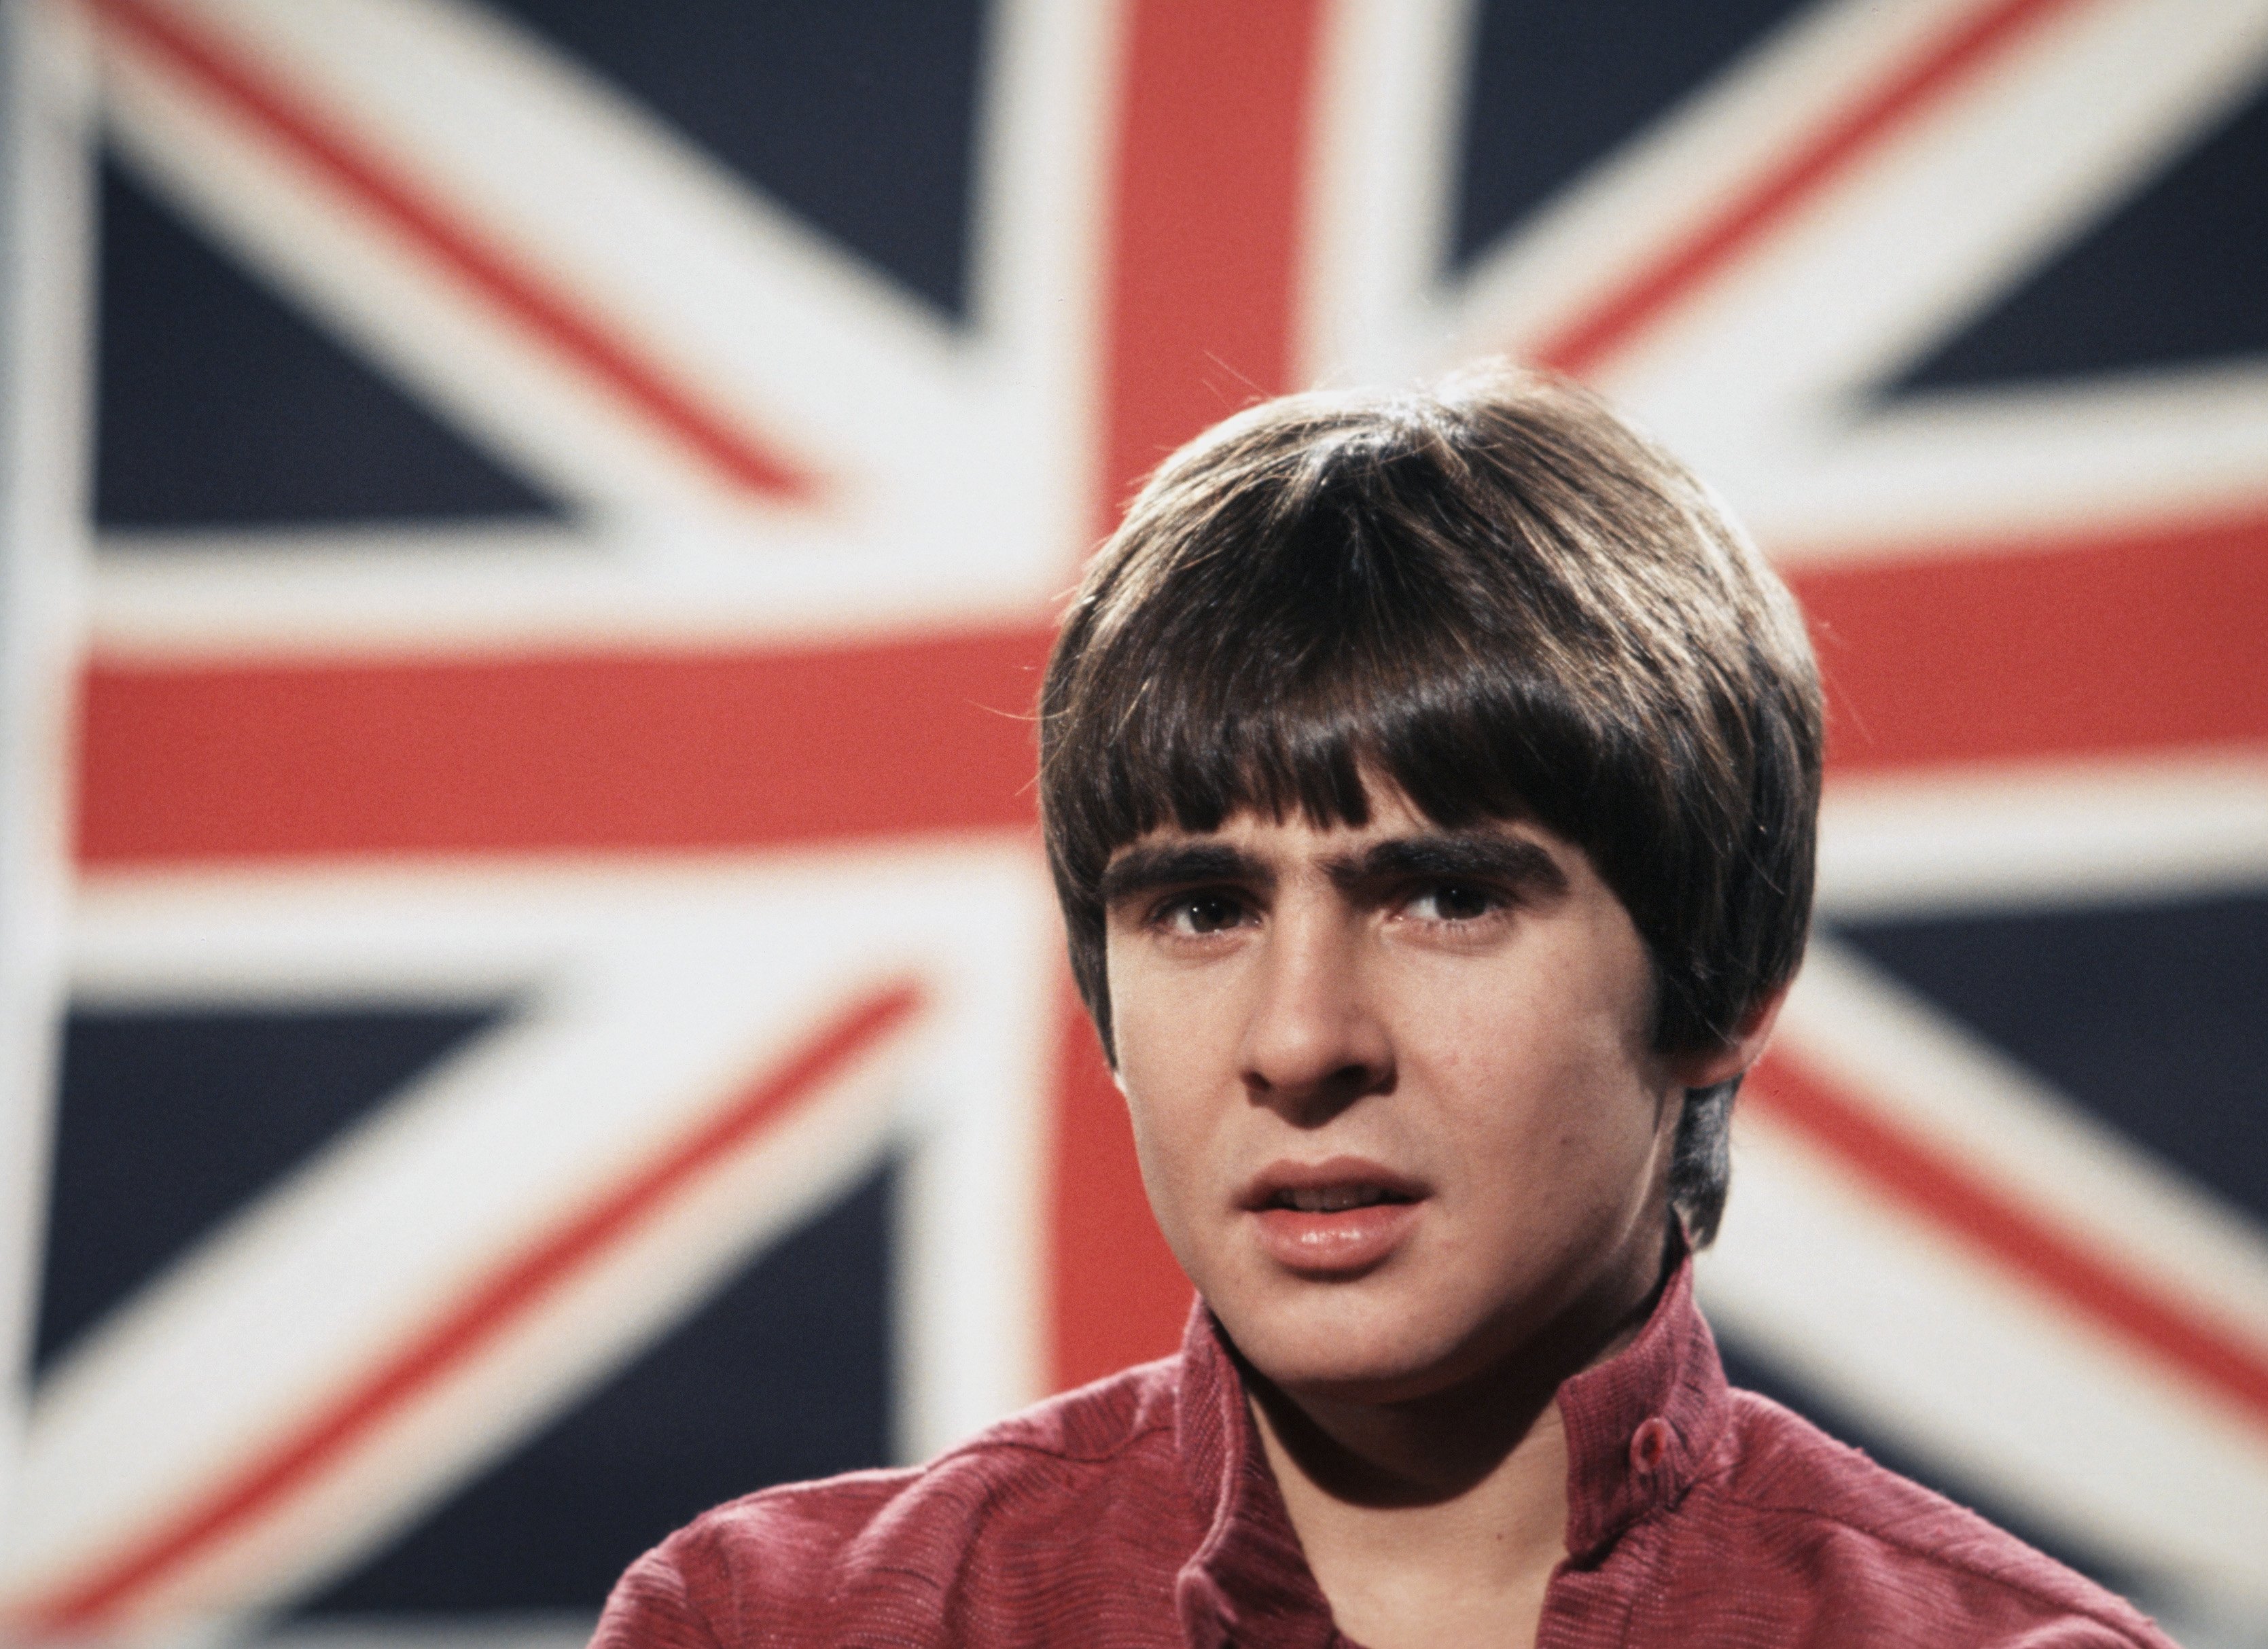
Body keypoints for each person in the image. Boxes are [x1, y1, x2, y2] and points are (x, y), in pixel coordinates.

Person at [591, 366, 2177, 1647]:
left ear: (1726, 978)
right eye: (1202, 908)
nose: (1299, 1042)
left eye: (1447, 897)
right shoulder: (774, 1624)